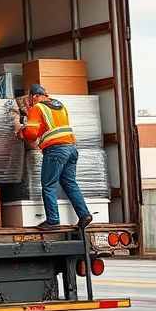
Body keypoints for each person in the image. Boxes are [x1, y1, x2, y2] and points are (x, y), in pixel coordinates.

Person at [14, 84, 93, 230]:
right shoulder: (59, 105)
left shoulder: (37, 108)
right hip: (71, 149)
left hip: (56, 150)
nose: (29, 102)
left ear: (34, 96)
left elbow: (31, 134)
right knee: (70, 183)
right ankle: (84, 214)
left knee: (48, 185)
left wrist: (21, 132)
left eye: (30, 99)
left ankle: (53, 220)